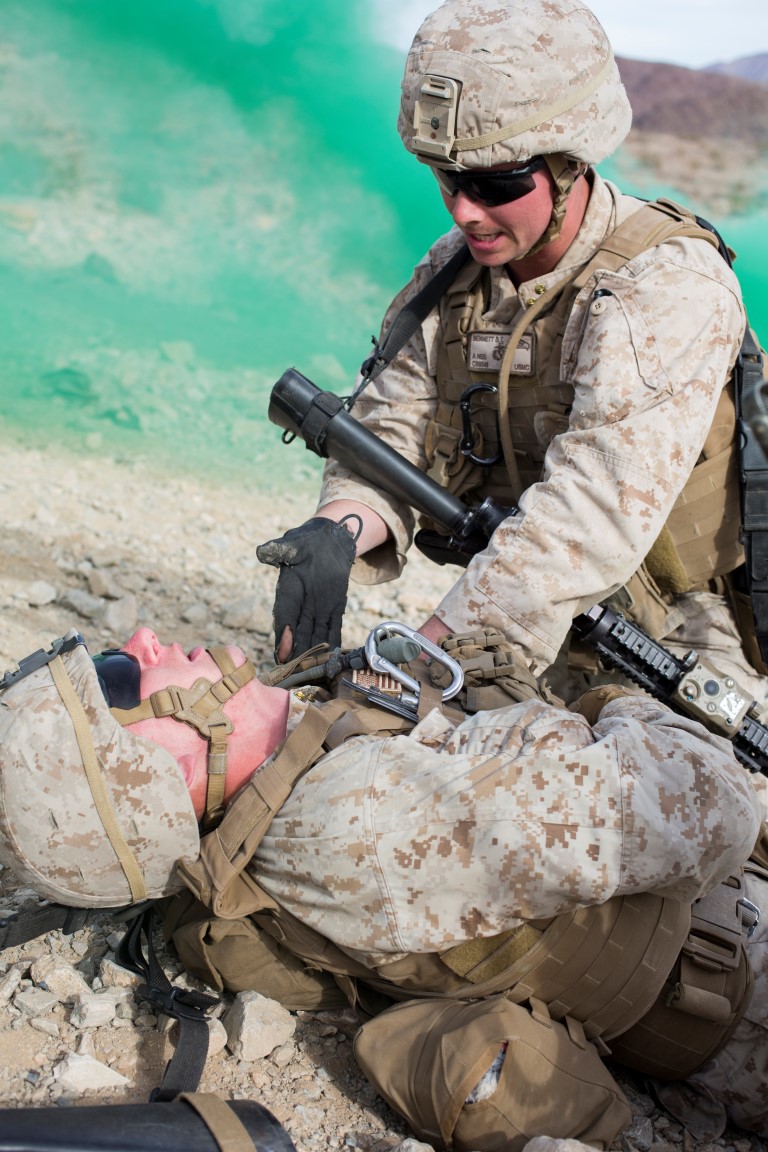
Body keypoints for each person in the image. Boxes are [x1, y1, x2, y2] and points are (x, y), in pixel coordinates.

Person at [0, 624, 766, 1150]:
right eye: (118, 679)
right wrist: (621, 699)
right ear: (163, 775)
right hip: (738, 968)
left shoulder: (298, 783)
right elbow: (718, 805)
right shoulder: (366, 822)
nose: (141, 642)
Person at [256, 0, 764, 708]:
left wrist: (423, 658)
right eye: (446, 178)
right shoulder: (453, 274)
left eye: (495, 184)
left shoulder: (665, 285)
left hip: (680, 648)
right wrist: (338, 528)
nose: (465, 210)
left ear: (568, 163)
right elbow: (390, 434)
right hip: (525, 633)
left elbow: (590, 515)